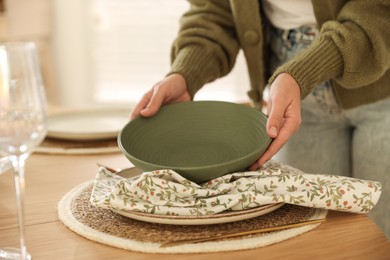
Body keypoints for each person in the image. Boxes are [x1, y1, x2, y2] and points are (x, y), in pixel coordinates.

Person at [131, 0, 390, 238]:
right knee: (312, 236)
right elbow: (214, 11)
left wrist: (303, 72)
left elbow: (380, 10)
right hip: (293, 95)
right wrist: (186, 72)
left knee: (381, 234)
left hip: (382, 85)